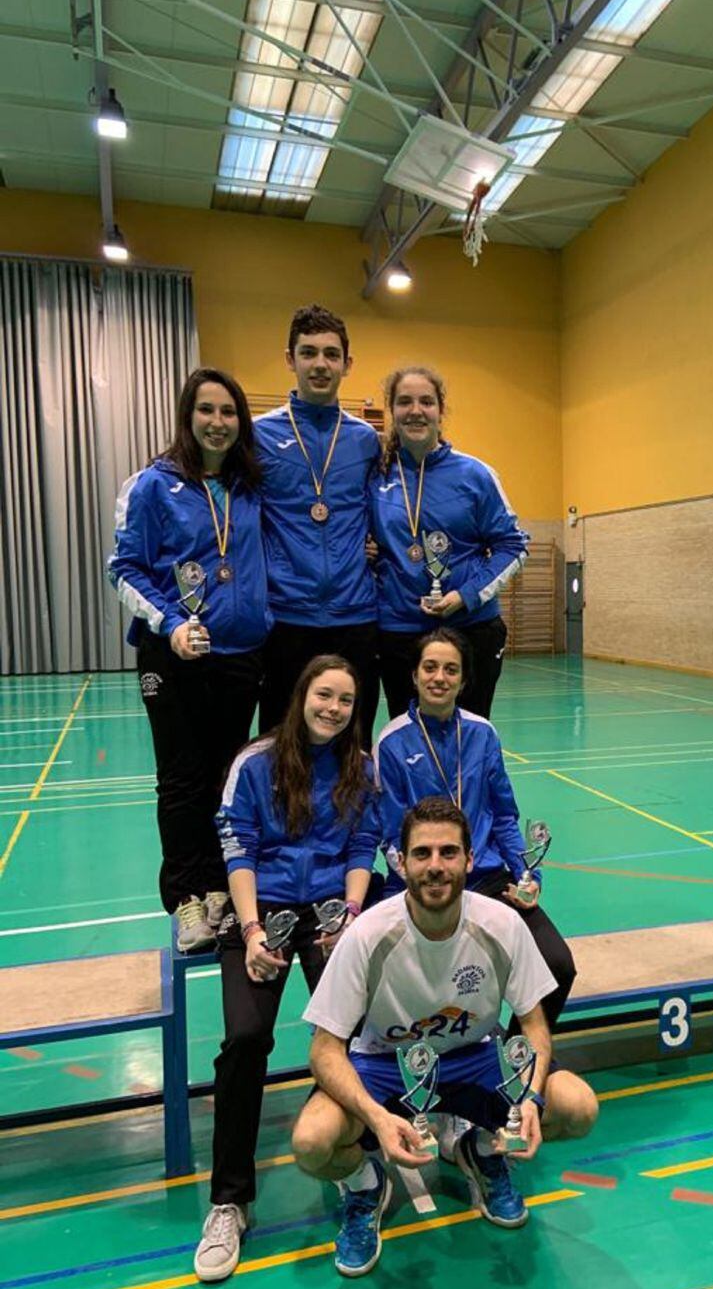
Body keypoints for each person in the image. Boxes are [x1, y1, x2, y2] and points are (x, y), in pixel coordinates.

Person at [292, 797, 598, 1278]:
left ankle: (481, 1150)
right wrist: (374, 1117)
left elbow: (534, 1026)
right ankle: (364, 1183)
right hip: (384, 1065)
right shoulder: (369, 934)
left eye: (449, 853)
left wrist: (532, 1100)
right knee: (312, 1142)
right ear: (401, 862)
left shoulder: (501, 924)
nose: (436, 867)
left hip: (475, 1056)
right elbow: (324, 1050)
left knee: (578, 1107)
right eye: (423, 854)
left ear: (470, 860)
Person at [192, 654, 379, 1283]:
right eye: (325, 695)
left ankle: (357, 1163)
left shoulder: (360, 767)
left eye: (347, 700)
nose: (334, 708)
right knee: (246, 1040)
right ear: (302, 695)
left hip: (330, 908)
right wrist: (248, 932)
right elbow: (237, 846)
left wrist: (351, 914)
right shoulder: (255, 762)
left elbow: (360, 846)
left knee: (355, 1035)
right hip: (259, 909)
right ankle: (229, 1202)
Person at [108, 367, 269, 952]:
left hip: (239, 655)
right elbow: (123, 568)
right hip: (173, 654)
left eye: (228, 412)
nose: (218, 423)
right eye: (206, 410)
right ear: (188, 416)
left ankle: (220, 887)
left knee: (228, 776)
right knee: (181, 777)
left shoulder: (251, 486)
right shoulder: (153, 484)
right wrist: (172, 623)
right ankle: (186, 900)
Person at [354, 628, 575, 1028]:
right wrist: (417, 875)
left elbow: (505, 817)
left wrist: (528, 875)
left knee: (558, 965)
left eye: (450, 670)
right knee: (390, 976)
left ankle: (517, 1057)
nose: (440, 677)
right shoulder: (391, 742)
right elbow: (390, 835)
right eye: (431, 667)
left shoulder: (482, 733)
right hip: (422, 881)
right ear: (415, 675)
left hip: (485, 878)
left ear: (463, 680)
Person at [369, 365, 528, 722]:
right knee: (406, 736)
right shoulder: (375, 476)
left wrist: (466, 595)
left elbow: (514, 546)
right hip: (399, 631)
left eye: (426, 401)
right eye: (404, 401)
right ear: (391, 411)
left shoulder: (475, 475)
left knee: (467, 735)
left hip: (470, 629)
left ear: (441, 411)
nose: (415, 410)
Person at [255, 305, 382, 745]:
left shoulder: (366, 440)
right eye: (308, 353)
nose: (320, 364)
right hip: (287, 615)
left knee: (355, 742)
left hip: (356, 615)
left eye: (331, 354)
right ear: (290, 359)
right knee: (281, 743)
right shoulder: (257, 437)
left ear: (348, 364)